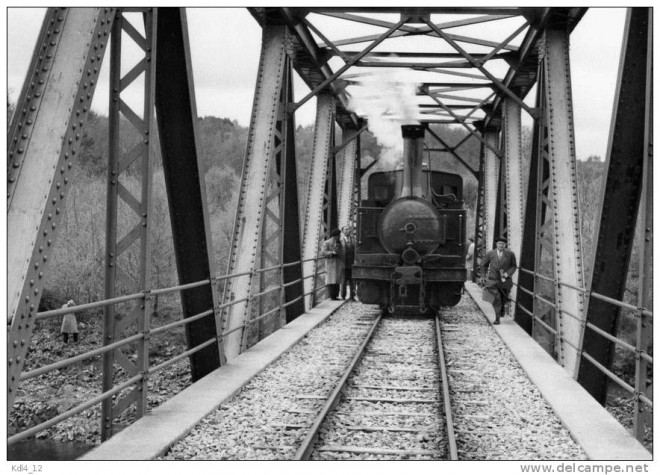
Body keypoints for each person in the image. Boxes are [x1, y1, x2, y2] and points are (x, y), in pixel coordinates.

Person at [480, 237, 517, 324]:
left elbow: (513, 266)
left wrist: (507, 274)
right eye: (499, 243)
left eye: (503, 244)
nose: (501, 245)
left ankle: (502, 307)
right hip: (493, 280)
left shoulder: (510, 254)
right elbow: (484, 265)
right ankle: (497, 318)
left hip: (505, 281)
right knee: (496, 299)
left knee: (504, 298)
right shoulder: (490, 254)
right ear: (496, 244)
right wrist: (483, 276)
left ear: (505, 245)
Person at [321, 228, 344, 300]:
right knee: (331, 281)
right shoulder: (327, 242)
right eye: (339, 235)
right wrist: (332, 253)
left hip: (338, 264)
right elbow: (323, 252)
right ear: (335, 236)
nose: (340, 237)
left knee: (337, 280)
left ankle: (336, 295)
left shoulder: (339, 242)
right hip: (331, 264)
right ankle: (332, 296)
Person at [340, 225, 356, 300]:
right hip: (343, 264)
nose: (348, 230)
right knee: (343, 280)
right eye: (346, 229)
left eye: (349, 229)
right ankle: (343, 296)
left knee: (352, 281)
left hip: (352, 264)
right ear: (342, 231)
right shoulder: (340, 241)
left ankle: (352, 296)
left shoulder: (353, 239)